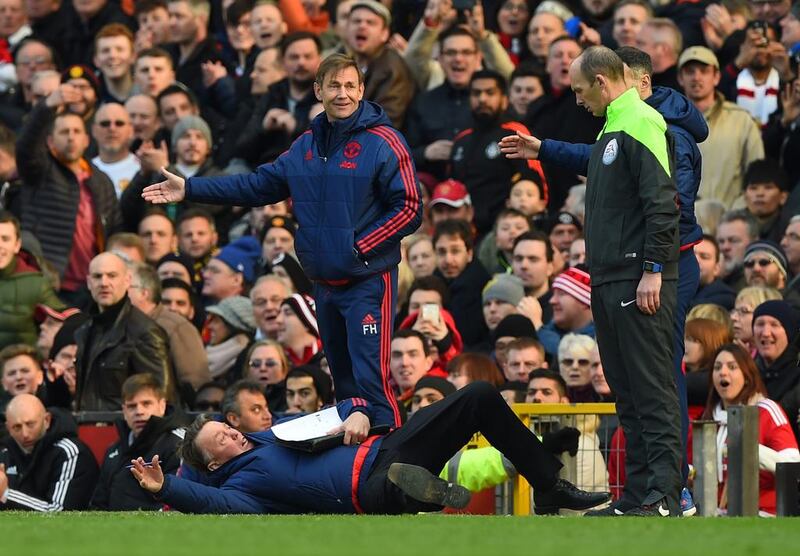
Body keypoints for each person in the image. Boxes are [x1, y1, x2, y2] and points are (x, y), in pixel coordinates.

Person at [142, 54, 422, 428]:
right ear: (318, 90)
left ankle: (391, 458)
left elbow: (410, 207)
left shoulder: (384, 141)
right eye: (334, 86)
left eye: (351, 86)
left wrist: (357, 249)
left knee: (371, 379)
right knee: (344, 383)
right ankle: (360, 469)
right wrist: (191, 187)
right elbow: (256, 185)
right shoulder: (305, 146)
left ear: (361, 90)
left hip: (368, 280)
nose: (343, 94)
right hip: (324, 281)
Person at [501, 46, 682, 516]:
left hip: (636, 276)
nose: (578, 101)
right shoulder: (615, 126)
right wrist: (544, 149)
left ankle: (663, 496)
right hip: (610, 276)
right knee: (627, 391)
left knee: (651, 388)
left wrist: (653, 270)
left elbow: (662, 204)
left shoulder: (638, 120)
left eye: (581, 91)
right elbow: (597, 160)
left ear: (602, 82)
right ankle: (639, 495)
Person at [130, 381, 611, 514]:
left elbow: (342, 411)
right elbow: (204, 498)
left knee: (479, 397)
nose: (232, 433)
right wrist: (164, 488)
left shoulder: (274, 432)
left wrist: (357, 413)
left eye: (226, 427)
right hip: (365, 488)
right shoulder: (242, 487)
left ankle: (547, 486)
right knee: (394, 487)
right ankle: (418, 493)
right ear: (214, 461)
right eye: (221, 439)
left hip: (385, 447)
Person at [702, 344, 800, 516]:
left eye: (732, 367)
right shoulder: (709, 417)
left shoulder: (766, 410)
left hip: (765, 513)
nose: (723, 373)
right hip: (717, 515)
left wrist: (749, 451)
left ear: (747, 376)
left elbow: (792, 463)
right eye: (717, 368)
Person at [74, 252, 173, 411]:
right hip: (89, 427)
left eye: (112, 276)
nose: (104, 283)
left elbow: (162, 397)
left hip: (125, 430)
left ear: (127, 281)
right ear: (88, 282)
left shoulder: (144, 331)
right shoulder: (84, 331)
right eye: (97, 276)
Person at [90, 374, 185, 510]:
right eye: (132, 406)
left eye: (146, 404)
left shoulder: (179, 444)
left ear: (162, 405)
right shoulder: (113, 450)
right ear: (124, 410)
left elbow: (179, 502)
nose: (139, 411)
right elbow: (98, 505)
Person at [0, 394, 98, 511]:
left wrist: (6, 495)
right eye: (17, 427)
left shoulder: (70, 452)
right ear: (8, 428)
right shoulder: (5, 453)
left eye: (30, 424)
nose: (25, 434)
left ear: (46, 420)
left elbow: (59, 512)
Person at [0, 210, 64, 348]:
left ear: (17, 245)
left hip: (20, 367)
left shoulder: (36, 283)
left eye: (5, 239)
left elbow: (62, 321)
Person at [242, 339, 291, 413]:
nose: (262, 368)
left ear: (284, 370)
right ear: (247, 371)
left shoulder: (292, 398)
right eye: (255, 364)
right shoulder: (236, 400)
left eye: (270, 363)